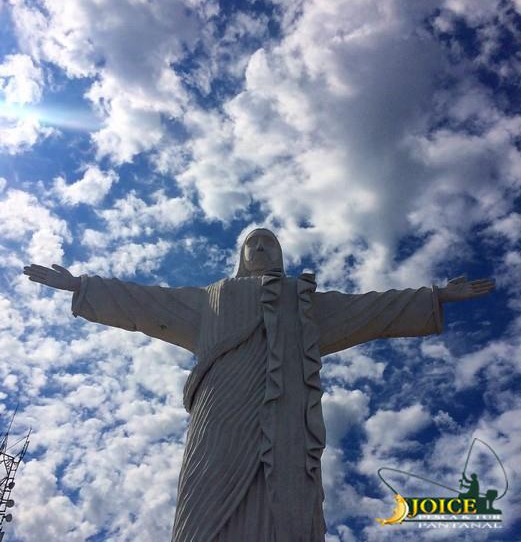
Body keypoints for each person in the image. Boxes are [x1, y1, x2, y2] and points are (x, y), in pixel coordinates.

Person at [23, 228, 494, 541]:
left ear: (282, 255)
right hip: (219, 413)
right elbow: (147, 302)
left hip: (287, 415)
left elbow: (370, 309)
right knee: (204, 497)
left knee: (288, 498)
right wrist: (83, 287)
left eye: (270, 242)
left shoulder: (302, 300)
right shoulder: (214, 296)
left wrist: (434, 296)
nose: (262, 248)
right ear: (242, 254)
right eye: (254, 243)